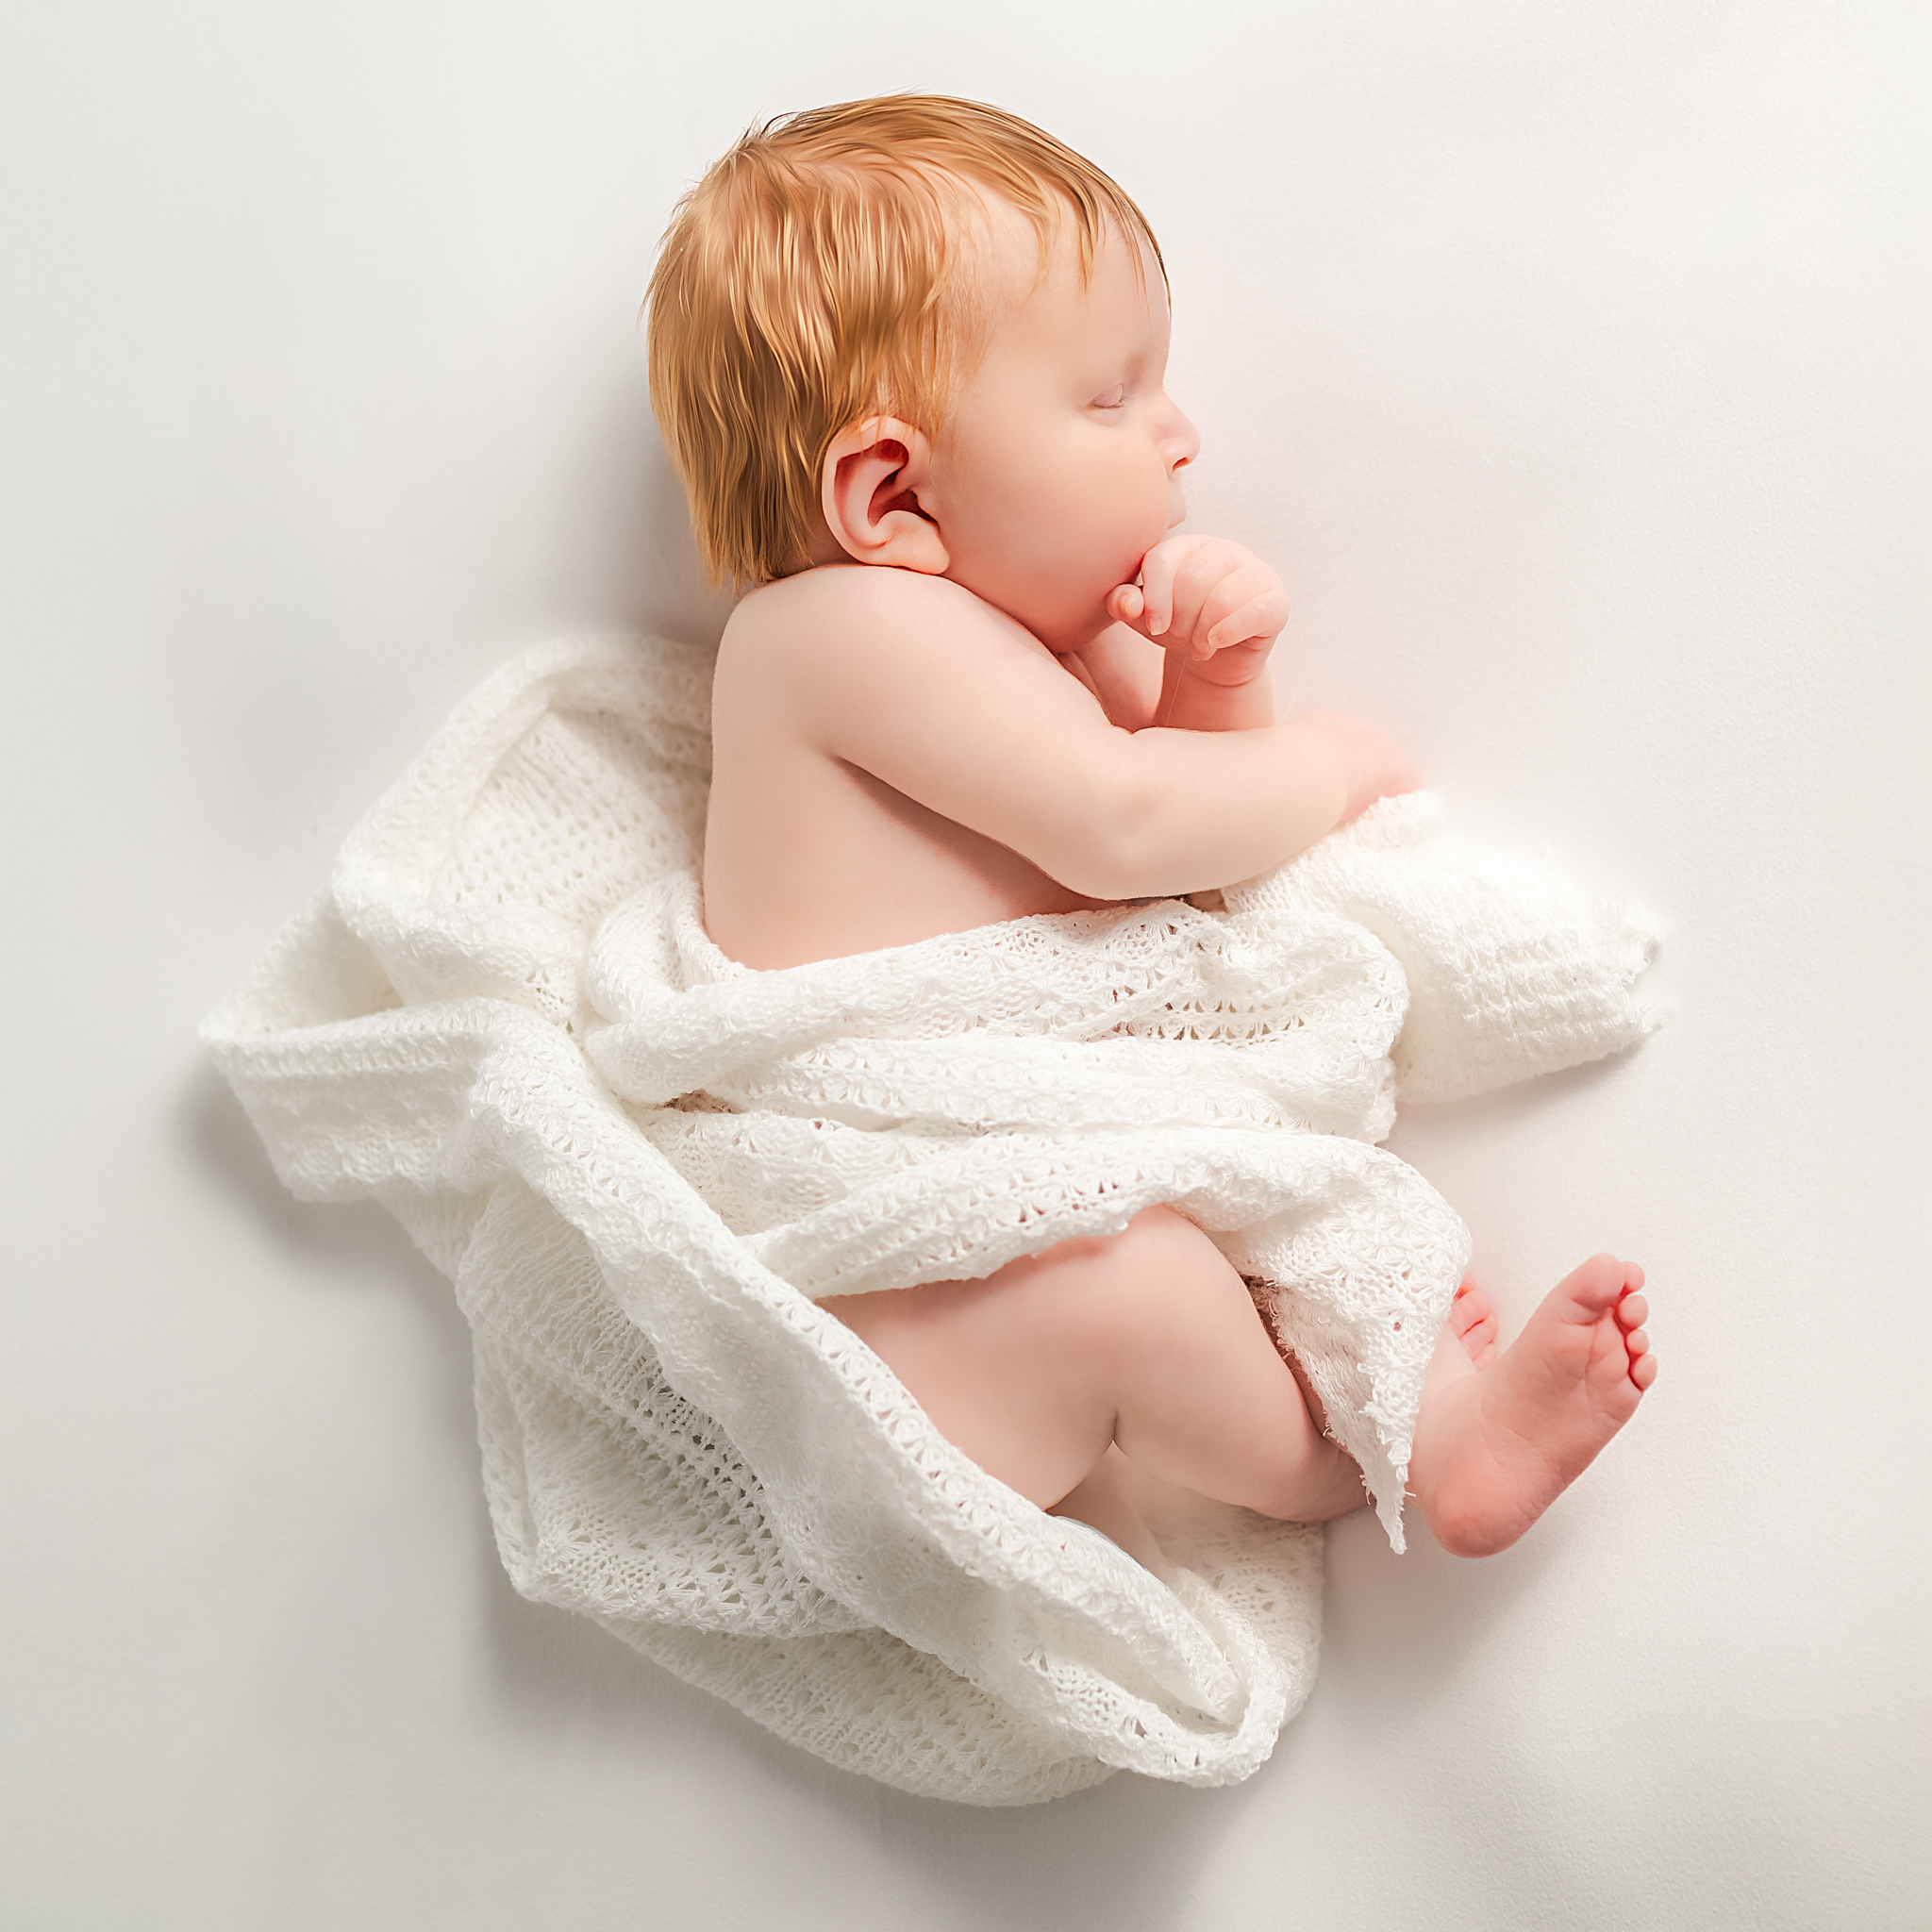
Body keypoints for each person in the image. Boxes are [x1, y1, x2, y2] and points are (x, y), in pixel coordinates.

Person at [645, 94, 1654, 1565]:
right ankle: (1351, 1464)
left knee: (1299, 1221)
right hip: (882, 1320)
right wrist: (1323, 762)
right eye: (1110, 398)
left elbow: (1190, 874)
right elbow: (1126, 828)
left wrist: (1210, 683)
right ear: (889, 492)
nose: (1179, 438)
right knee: (1144, 1291)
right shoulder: (836, 633)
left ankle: (1444, 1428)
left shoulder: (1026, 649)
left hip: (1028, 1205)